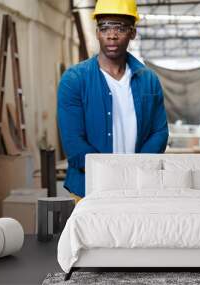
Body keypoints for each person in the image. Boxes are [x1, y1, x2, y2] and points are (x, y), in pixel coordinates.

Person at [57, 0, 169, 200]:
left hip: (139, 188)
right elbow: (73, 142)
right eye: (105, 27)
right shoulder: (74, 80)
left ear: (133, 33)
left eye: (120, 27)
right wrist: (112, 176)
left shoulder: (149, 80)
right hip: (89, 189)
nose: (112, 35)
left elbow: (159, 132)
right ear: (97, 32)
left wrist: (137, 171)